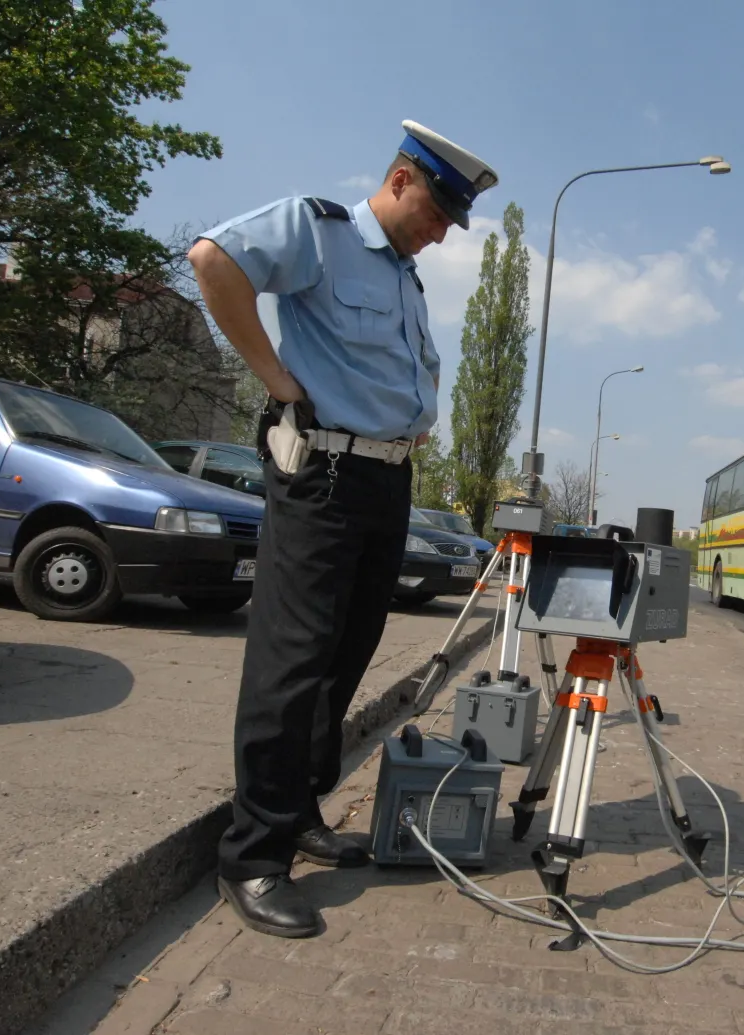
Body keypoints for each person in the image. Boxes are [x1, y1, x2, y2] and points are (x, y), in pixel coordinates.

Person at [187, 120, 498, 939]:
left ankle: (298, 812)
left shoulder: (407, 279)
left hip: (385, 478)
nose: (441, 233)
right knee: (290, 663)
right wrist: (274, 377)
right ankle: (252, 858)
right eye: (436, 212)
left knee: (344, 654)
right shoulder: (319, 231)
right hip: (320, 472)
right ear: (400, 179)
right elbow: (212, 261)